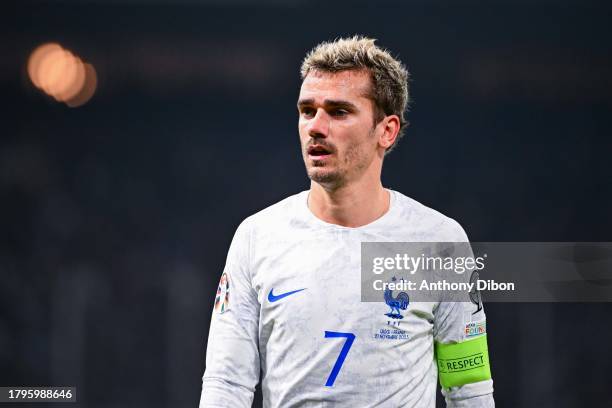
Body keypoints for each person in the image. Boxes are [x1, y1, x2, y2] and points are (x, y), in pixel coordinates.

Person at [200, 36, 494, 407]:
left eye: (338, 111)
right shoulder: (257, 238)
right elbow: (227, 385)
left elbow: (468, 388)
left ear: (386, 131)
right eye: (307, 110)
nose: (316, 127)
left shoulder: (439, 241)